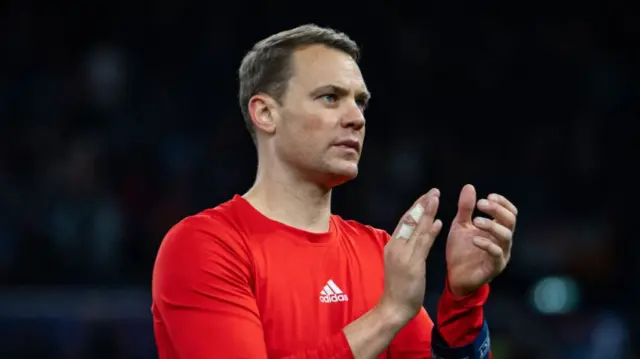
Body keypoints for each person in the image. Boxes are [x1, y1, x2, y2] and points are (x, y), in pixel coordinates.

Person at [151, 24, 518, 359]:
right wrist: (387, 314)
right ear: (265, 113)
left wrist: (463, 302)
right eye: (330, 97)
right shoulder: (204, 246)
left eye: (360, 101)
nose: (356, 117)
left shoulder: (378, 252)